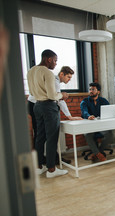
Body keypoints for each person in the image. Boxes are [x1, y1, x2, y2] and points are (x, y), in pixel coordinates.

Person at [28, 49, 69, 178]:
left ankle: (39, 166)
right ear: (49, 59)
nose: (56, 64)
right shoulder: (48, 73)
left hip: (37, 106)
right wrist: (62, 95)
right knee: (52, 138)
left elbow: (32, 92)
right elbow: (52, 95)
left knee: (39, 137)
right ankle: (51, 169)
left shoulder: (31, 71)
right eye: (55, 61)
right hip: (49, 107)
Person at [28, 66, 82, 164]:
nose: (69, 80)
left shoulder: (53, 80)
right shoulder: (54, 81)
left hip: (36, 105)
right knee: (47, 136)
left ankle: (45, 162)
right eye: (68, 77)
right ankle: (48, 163)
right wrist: (69, 116)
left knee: (42, 136)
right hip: (39, 105)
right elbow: (58, 100)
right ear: (62, 74)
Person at [80, 82, 112, 162]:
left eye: (93, 89)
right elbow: (84, 112)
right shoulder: (84, 101)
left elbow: (109, 111)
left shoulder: (103, 101)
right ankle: (99, 154)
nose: (91, 91)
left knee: (109, 134)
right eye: (90, 89)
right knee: (87, 135)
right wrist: (88, 116)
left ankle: (97, 152)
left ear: (98, 91)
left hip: (101, 126)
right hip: (89, 126)